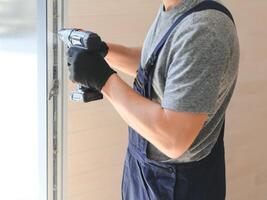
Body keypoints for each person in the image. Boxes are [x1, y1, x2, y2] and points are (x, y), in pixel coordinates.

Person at [67, 0, 239, 199]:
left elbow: (173, 138)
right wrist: (104, 51)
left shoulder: (204, 29)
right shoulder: (173, 9)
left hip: (176, 185)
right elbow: (159, 68)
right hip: (146, 172)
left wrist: (103, 80)